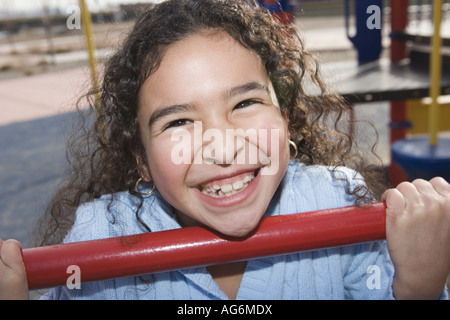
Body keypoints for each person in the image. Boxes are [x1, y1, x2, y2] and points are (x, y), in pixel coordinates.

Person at [1, 0, 449, 300]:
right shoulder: (101, 234)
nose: (222, 145)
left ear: (287, 118)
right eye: (178, 121)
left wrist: (420, 287)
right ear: (140, 158)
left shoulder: (340, 204)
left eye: (246, 103)